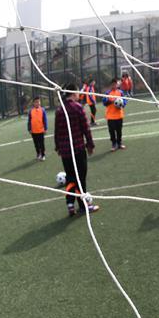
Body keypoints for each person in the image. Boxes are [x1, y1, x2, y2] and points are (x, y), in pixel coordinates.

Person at [55, 83, 99, 217]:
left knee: (70, 178)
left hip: (65, 152)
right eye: (78, 92)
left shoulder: (59, 110)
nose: (80, 94)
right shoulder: (77, 107)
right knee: (80, 178)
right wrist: (90, 145)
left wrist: (58, 147)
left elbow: (57, 131)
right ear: (73, 93)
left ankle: (70, 204)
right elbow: (86, 128)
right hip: (78, 149)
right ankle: (84, 206)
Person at [103, 78, 127, 151]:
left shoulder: (120, 92)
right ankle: (114, 144)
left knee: (119, 130)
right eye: (113, 84)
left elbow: (125, 101)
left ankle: (119, 143)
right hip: (110, 116)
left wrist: (122, 104)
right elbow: (104, 102)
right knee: (112, 131)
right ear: (111, 85)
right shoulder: (107, 93)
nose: (114, 85)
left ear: (117, 84)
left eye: (115, 84)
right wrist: (111, 101)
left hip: (119, 115)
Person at [28, 96, 48, 161]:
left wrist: (45, 128)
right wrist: (29, 129)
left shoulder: (43, 110)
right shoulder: (31, 111)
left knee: (42, 144)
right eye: (36, 102)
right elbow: (29, 121)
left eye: (39, 101)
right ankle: (38, 154)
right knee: (36, 144)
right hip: (33, 131)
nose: (38, 103)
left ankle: (43, 155)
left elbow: (45, 120)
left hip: (41, 131)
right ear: (33, 103)